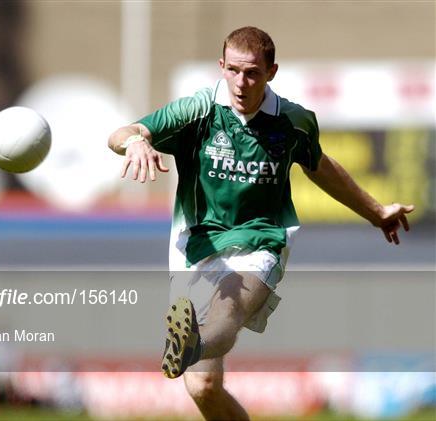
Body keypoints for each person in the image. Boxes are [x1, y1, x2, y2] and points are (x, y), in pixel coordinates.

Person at [108, 26, 414, 421]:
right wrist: (135, 142)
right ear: (221, 67)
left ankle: (192, 341)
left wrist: (375, 211)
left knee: (227, 317)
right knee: (203, 387)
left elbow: (319, 165)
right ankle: (192, 342)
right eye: (233, 70)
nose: (241, 82)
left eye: (252, 72)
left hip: (261, 242)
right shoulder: (197, 111)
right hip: (197, 245)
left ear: (271, 72)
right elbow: (123, 133)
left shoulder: (292, 121)